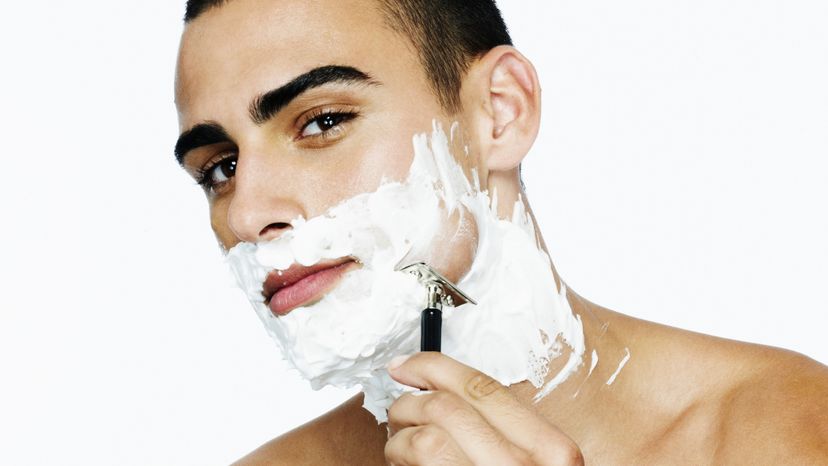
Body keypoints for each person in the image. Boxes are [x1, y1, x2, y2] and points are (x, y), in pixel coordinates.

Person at [173, 0, 828, 464]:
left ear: (499, 112)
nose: (247, 213)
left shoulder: (784, 435)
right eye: (219, 168)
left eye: (321, 121)